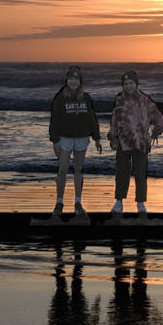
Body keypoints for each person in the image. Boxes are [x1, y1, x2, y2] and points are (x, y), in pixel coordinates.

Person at [107, 70, 163, 219]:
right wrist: (113, 138)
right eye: (125, 84)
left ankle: (140, 203)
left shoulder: (145, 100)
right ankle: (119, 202)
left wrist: (156, 132)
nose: (128, 86)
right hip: (123, 142)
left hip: (141, 143)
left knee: (140, 173)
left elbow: (158, 117)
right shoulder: (119, 100)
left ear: (136, 84)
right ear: (123, 85)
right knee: (121, 173)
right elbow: (114, 120)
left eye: (131, 83)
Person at [49, 66, 102, 219]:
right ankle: (59, 203)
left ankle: (78, 203)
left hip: (81, 138)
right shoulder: (60, 98)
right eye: (71, 79)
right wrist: (55, 140)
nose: (73, 81)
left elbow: (91, 118)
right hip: (64, 138)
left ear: (80, 81)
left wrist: (97, 138)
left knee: (78, 170)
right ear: (67, 80)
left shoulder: (85, 97)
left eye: (76, 79)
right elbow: (55, 120)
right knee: (63, 170)